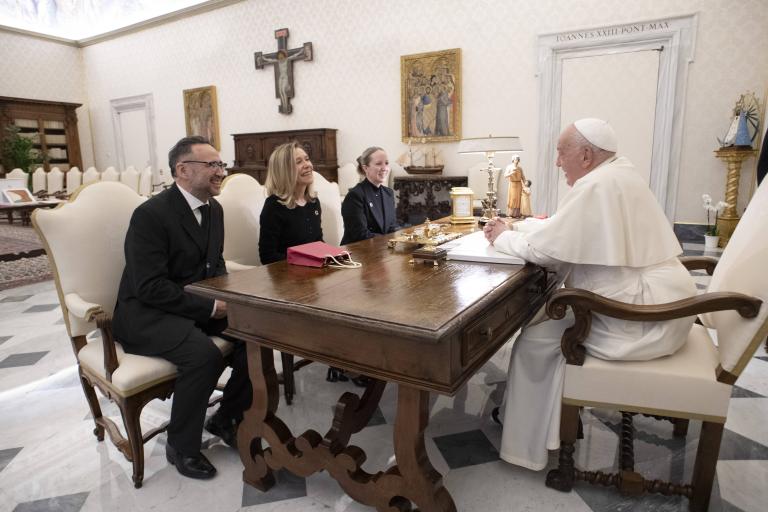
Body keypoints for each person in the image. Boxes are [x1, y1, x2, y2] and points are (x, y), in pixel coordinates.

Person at [483, 118, 697, 471]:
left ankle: (526, 443)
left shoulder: (595, 186)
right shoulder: (617, 173)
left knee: (536, 338)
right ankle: (543, 422)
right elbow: (564, 229)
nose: (556, 162)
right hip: (664, 307)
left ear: (585, 155)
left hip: (641, 322)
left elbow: (547, 252)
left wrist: (502, 236)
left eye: (560, 152)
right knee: (546, 323)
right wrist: (518, 226)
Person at [113, 136, 251, 480]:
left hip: (192, 304)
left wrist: (225, 299)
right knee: (202, 356)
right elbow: (149, 286)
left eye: (222, 164)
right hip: (146, 313)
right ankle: (182, 446)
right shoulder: (150, 215)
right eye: (213, 165)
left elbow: (214, 264)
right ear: (183, 170)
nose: (221, 172)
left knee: (257, 334)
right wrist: (208, 308)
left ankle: (225, 417)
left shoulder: (214, 208)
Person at [258, 141, 323, 265]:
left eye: (307, 159)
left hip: (314, 274)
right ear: (284, 170)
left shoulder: (313, 202)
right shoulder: (274, 206)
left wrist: (331, 256)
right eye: (299, 162)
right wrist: (307, 261)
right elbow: (267, 256)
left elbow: (318, 242)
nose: (307, 165)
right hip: (287, 278)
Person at [340, 146, 397, 245]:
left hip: (382, 250)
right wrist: (388, 241)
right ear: (365, 168)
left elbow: (392, 228)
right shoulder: (355, 195)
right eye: (379, 163)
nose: (384, 168)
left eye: (386, 163)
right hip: (359, 253)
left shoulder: (389, 193)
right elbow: (360, 235)